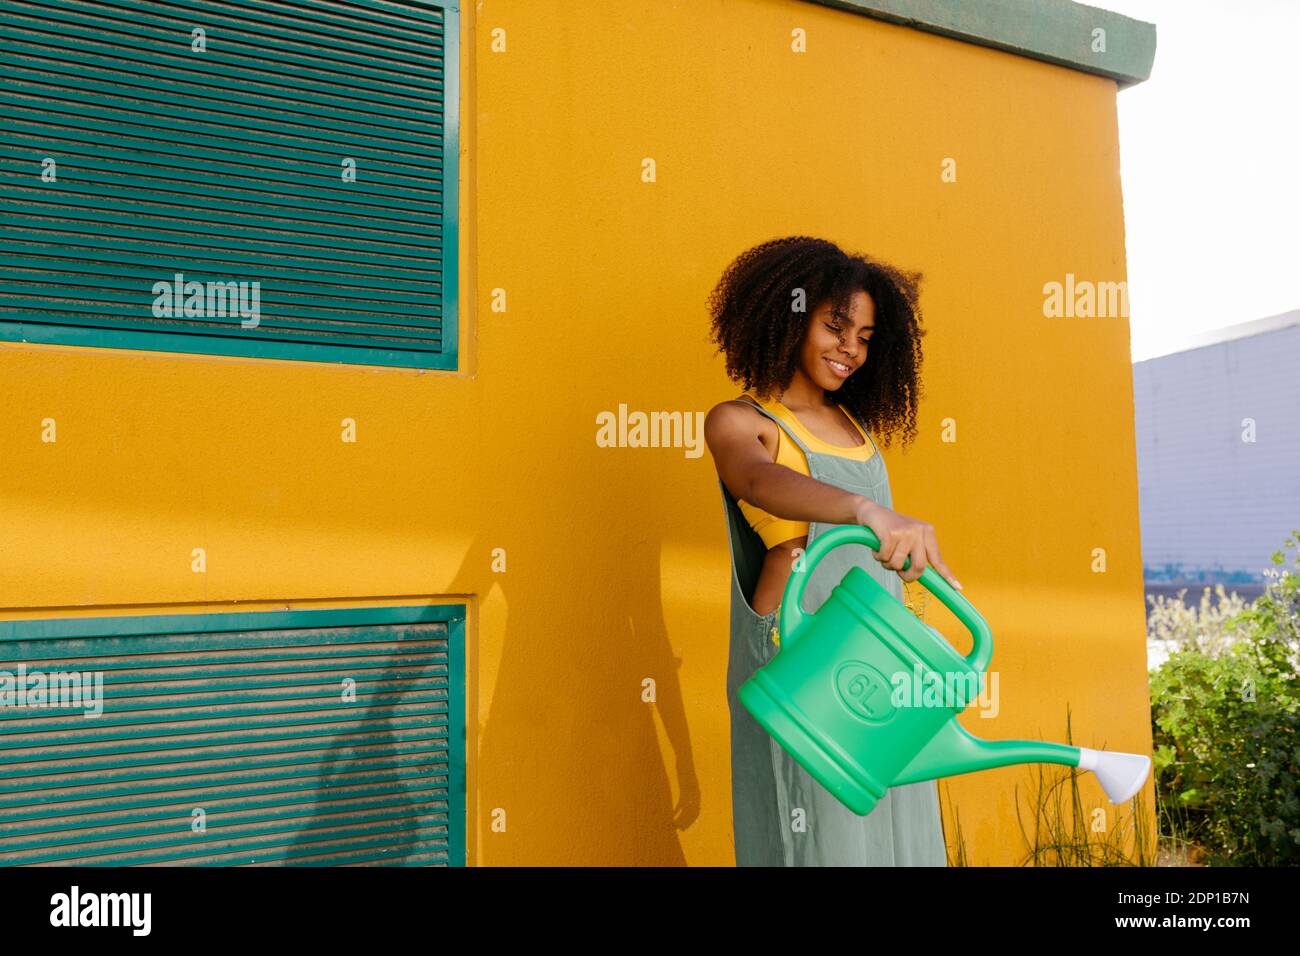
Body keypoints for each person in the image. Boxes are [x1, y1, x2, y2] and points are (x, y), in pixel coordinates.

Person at [703, 235, 962, 866]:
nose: (850, 349)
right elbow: (761, 483)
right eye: (835, 326)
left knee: (891, 814)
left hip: (878, 646)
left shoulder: (855, 427)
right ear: (789, 317)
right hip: (797, 643)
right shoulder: (742, 421)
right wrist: (865, 510)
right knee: (815, 828)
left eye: (866, 337)